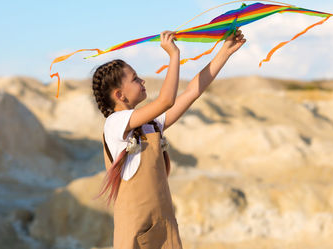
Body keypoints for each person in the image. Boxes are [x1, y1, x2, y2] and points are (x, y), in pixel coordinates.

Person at [92, 29, 246, 249]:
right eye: (135, 79)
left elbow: (193, 91)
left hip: (163, 228)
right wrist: (174, 56)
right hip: (137, 232)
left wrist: (225, 51)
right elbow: (166, 101)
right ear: (120, 95)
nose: (142, 80)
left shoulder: (150, 124)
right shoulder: (115, 123)